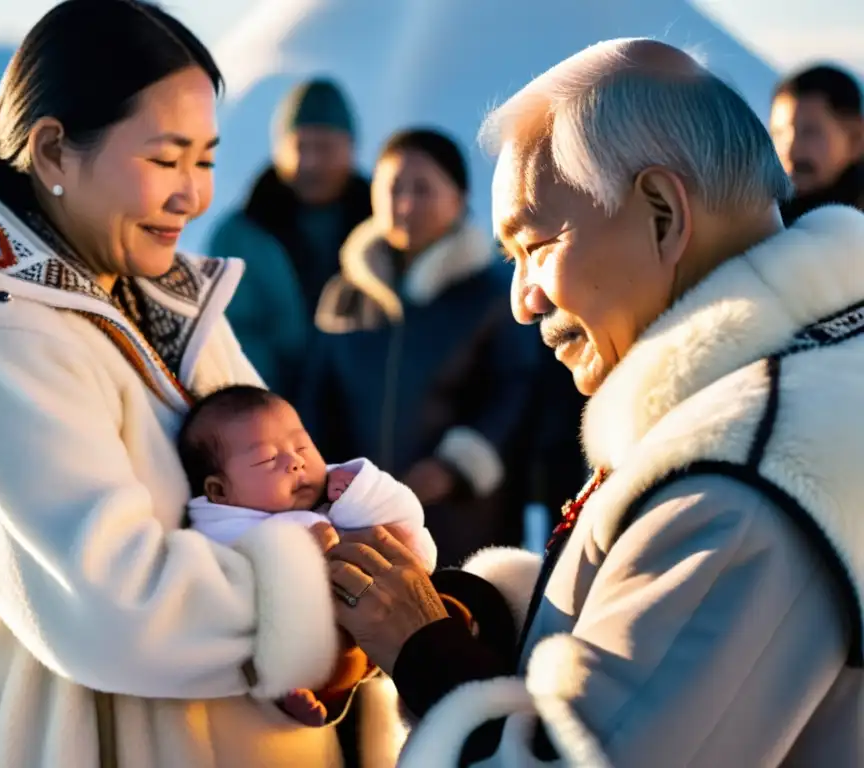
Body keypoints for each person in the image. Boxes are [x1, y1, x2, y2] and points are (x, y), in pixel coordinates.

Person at [0, 2, 400, 765]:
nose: (193, 194)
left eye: (206, 160)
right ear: (52, 152)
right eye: (165, 159)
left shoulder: (172, 309)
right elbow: (120, 604)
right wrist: (343, 605)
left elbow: (293, 495)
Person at [325, 38, 864, 767]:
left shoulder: (745, 475)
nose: (523, 301)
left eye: (538, 244)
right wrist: (474, 618)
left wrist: (429, 658)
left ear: (662, 216)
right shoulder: (790, 380)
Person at [302, 128, 542, 568]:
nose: (405, 205)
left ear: (459, 198)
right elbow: (317, 396)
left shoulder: (489, 294)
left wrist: (456, 466)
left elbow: (515, 390)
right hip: (358, 517)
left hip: (463, 519)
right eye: (393, 188)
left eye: (423, 189)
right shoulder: (345, 293)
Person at [178, 384, 437, 727]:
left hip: (389, 611)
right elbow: (231, 586)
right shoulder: (224, 529)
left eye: (301, 445)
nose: (295, 462)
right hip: (321, 638)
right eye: (268, 459)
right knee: (312, 657)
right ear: (219, 491)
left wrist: (359, 489)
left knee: (448, 602)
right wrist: (293, 559)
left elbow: (405, 516)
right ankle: (302, 696)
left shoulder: (332, 490)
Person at [206, 78, 371, 397]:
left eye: (324, 148)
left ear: (350, 149)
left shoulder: (388, 227)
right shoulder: (239, 237)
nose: (311, 163)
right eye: (300, 147)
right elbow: (229, 334)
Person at [770, 64, 864, 223]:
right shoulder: (762, 222)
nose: (791, 150)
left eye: (810, 132)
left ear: (855, 138)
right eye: (779, 133)